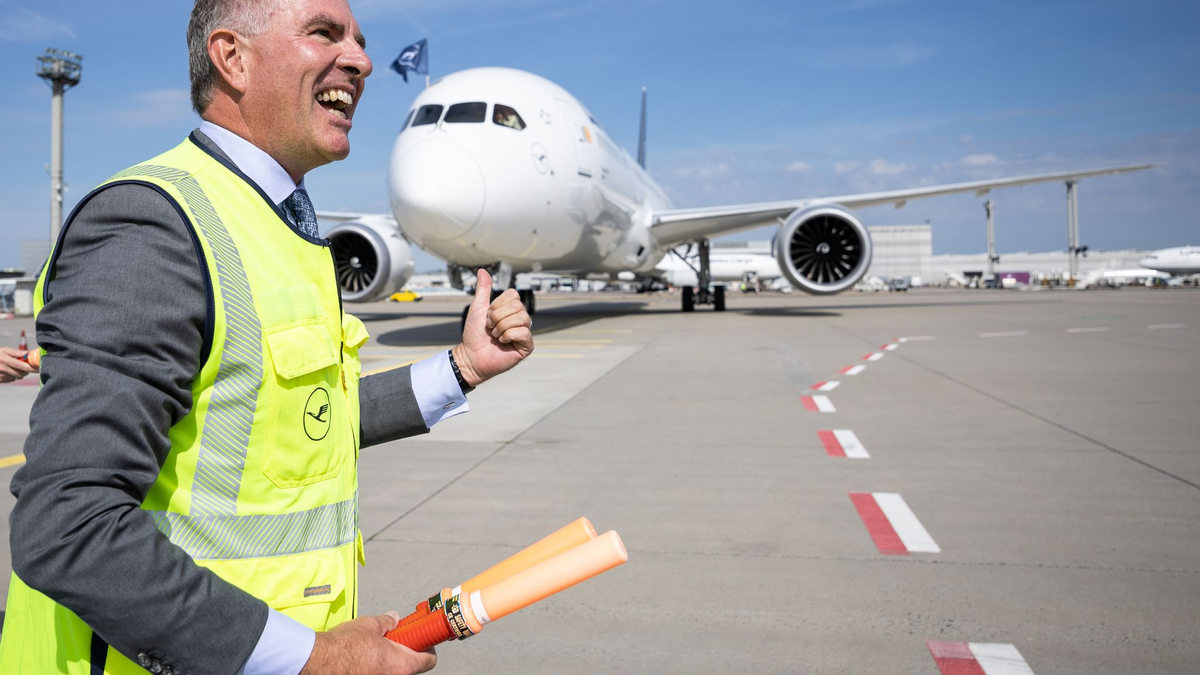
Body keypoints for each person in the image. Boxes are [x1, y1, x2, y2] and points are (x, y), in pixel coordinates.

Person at [0, 1, 533, 674]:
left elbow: (296, 424)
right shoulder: (154, 224)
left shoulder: (276, 224)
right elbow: (68, 524)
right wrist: (315, 658)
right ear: (233, 58)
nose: (362, 60)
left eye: (359, 40)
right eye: (324, 33)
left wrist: (462, 368)